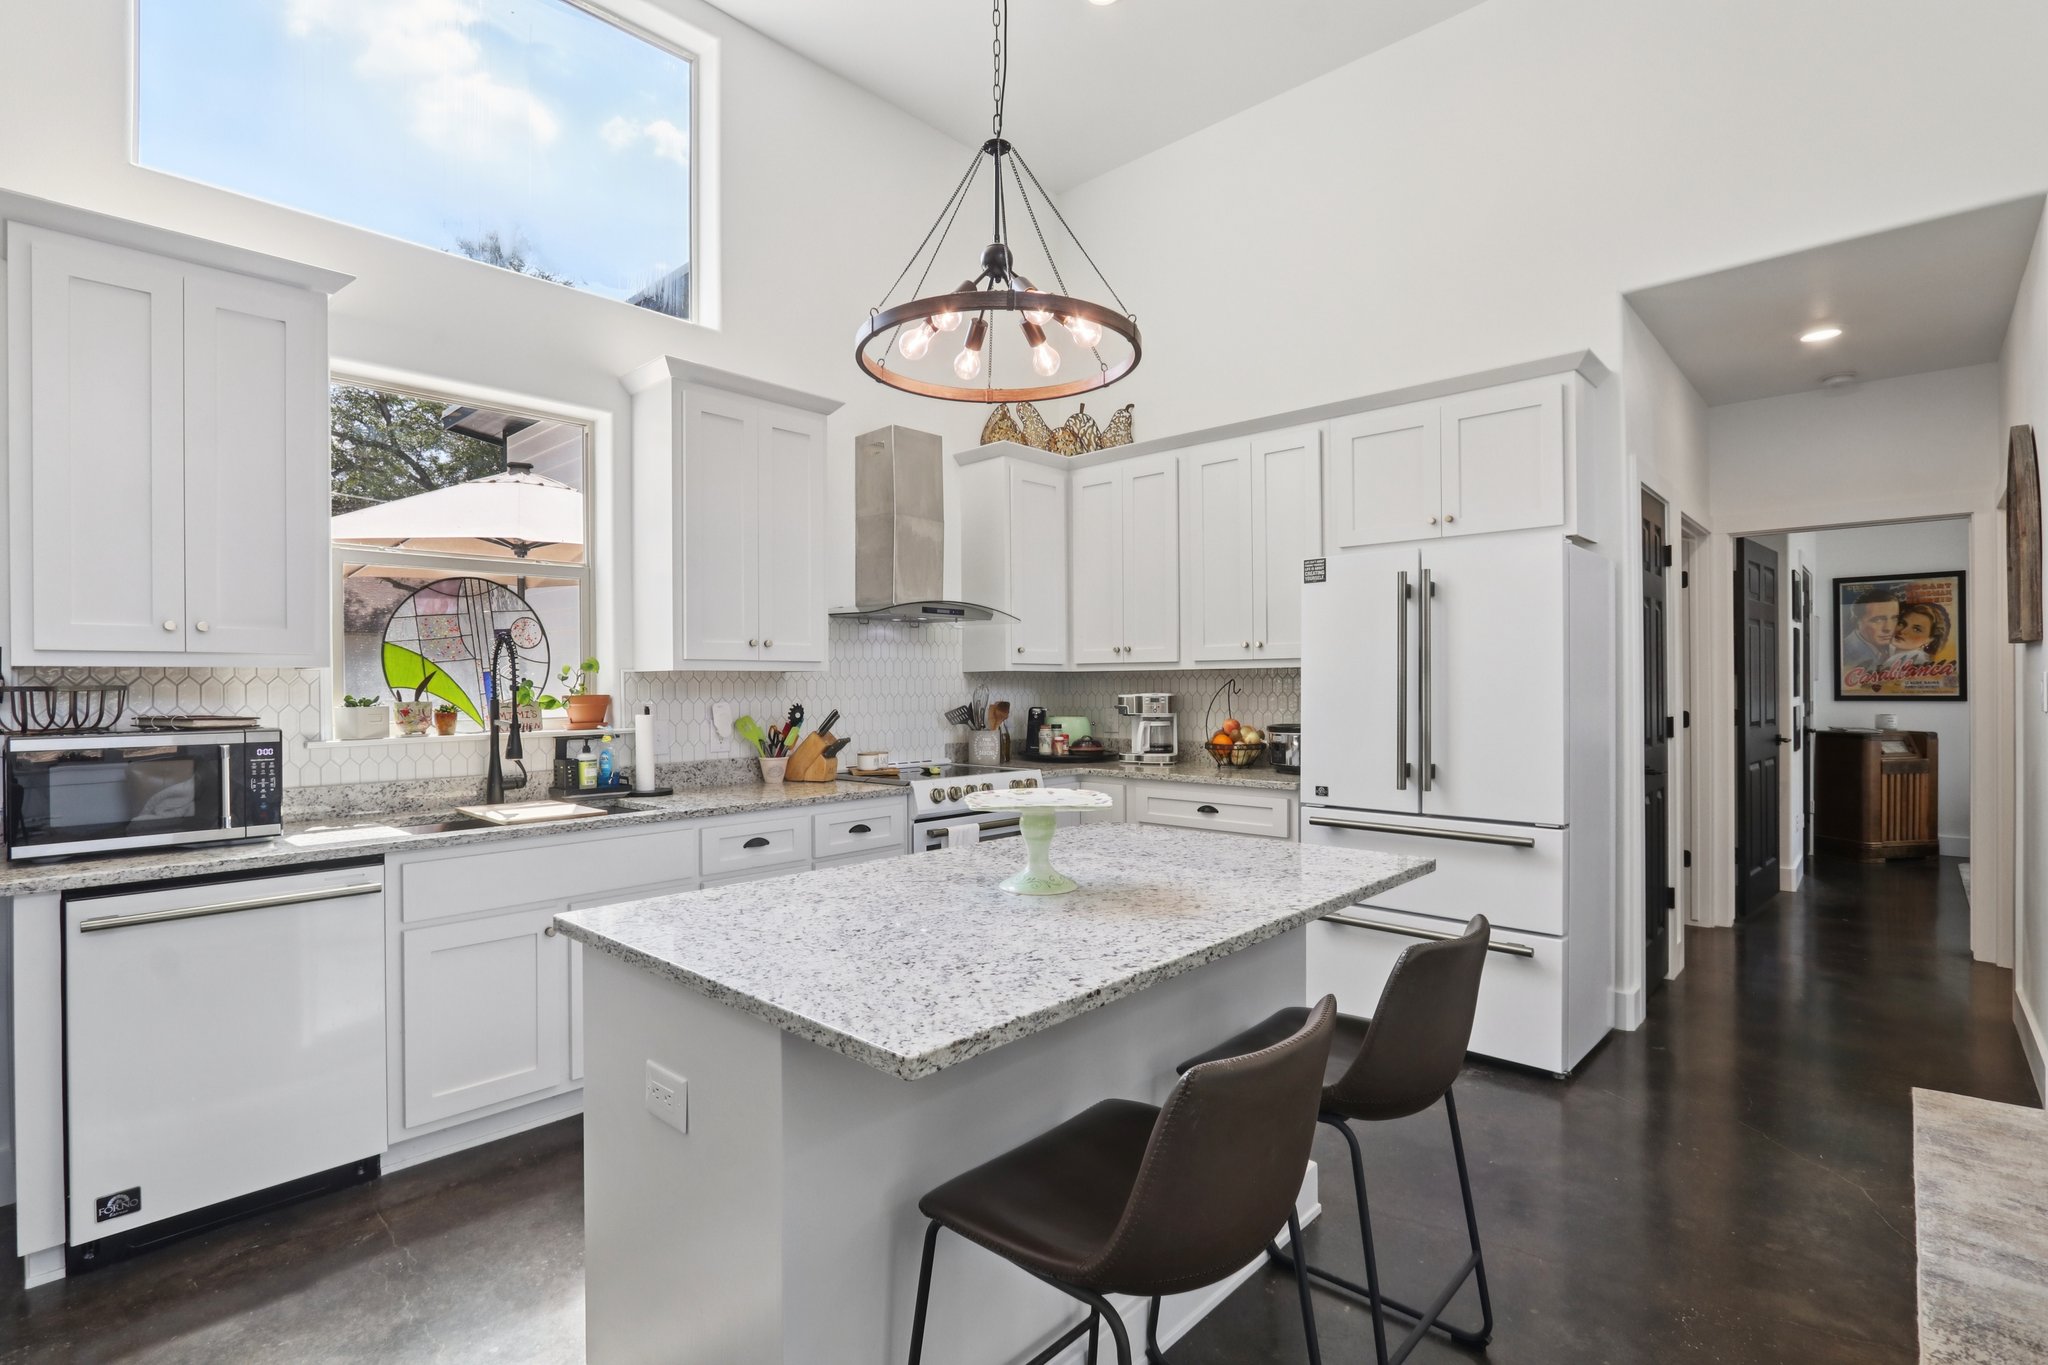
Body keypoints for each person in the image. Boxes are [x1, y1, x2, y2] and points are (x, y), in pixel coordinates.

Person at [1841, 586, 1902, 679]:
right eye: (1878, 620)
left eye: (1894, 618)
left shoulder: (1899, 647)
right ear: (1857, 621)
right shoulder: (1844, 653)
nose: (1889, 628)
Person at [1891, 599, 1951, 665]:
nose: (1902, 631)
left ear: (1930, 640)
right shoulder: (1890, 655)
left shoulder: (1917, 662)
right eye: (1901, 623)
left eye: (1916, 629)